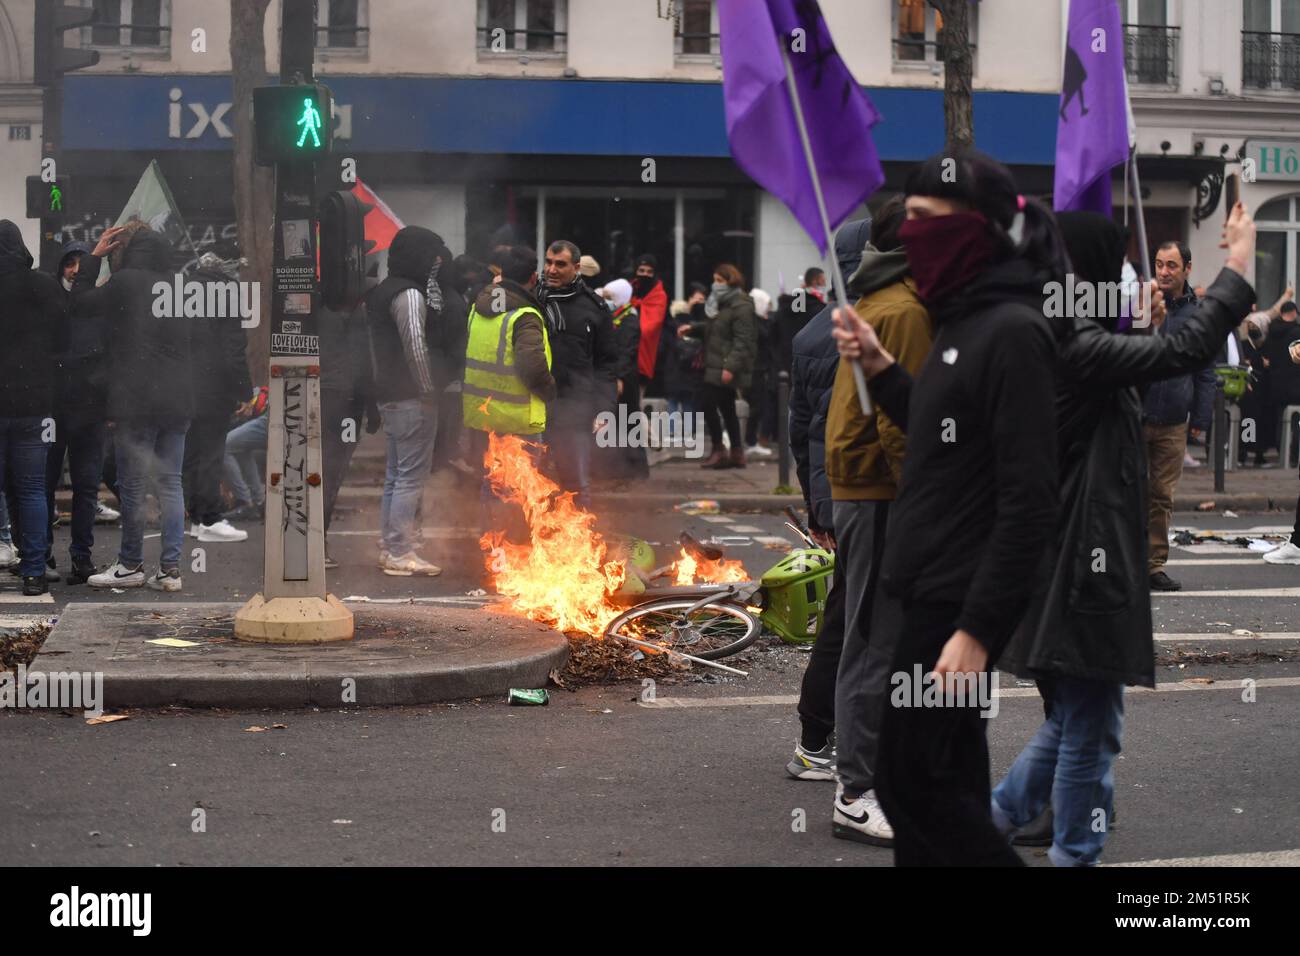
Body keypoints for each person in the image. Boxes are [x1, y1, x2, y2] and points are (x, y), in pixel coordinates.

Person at [991, 205, 1256, 867]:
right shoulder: (1069, 342)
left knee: (1082, 718)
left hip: (1075, 559)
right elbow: (1185, 351)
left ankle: (989, 826)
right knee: (1089, 722)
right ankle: (1061, 849)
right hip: (1083, 567)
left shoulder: (1050, 329)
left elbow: (1132, 373)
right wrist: (1237, 269)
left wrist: (1135, 327)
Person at [833, 148, 1068, 866]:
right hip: (925, 589)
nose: (913, 235)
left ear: (979, 229)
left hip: (953, 609)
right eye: (908, 221)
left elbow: (1029, 499)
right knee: (944, 786)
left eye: (930, 221)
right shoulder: (960, 323)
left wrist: (976, 632)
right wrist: (881, 369)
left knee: (917, 788)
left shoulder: (1014, 332)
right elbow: (943, 432)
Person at [821, 200, 934, 845]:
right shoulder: (905, 309)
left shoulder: (884, 297)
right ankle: (856, 792)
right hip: (881, 493)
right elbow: (901, 423)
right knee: (873, 639)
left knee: (872, 635)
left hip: (867, 489)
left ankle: (870, 778)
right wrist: (926, 499)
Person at [785, 220, 870, 782]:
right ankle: (820, 742)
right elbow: (828, 431)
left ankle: (819, 738)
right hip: (863, 499)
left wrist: (819, 508)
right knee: (854, 626)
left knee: (848, 619)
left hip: (839, 501)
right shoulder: (862, 330)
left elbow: (800, 433)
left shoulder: (813, 331)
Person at [76, 226, 194, 592]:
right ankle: (170, 569)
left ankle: (130, 564)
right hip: (179, 398)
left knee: (133, 485)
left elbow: (80, 305)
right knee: (171, 483)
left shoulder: (126, 282)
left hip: (138, 400)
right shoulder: (179, 285)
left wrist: (93, 260)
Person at [363, 225, 449, 577]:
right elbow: (416, 344)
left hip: (389, 396)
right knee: (410, 478)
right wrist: (428, 388)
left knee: (396, 476)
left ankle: (391, 546)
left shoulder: (382, 290)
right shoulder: (410, 295)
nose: (437, 263)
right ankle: (400, 550)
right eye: (432, 256)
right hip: (412, 398)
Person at [462, 244, 556, 539]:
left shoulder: (479, 307)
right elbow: (533, 368)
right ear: (533, 277)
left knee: (493, 484)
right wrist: (551, 391)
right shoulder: (525, 315)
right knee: (518, 489)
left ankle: (493, 549)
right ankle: (510, 550)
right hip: (517, 417)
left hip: (483, 414)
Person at [1143, 240, 1215, 592]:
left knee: (1161, 495)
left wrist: (1200, 420)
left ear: (1187, 268)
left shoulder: (1200, 315)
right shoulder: (1142, 304)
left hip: (1173, 421)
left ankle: (1153, 565)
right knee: (1125, 492)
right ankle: (1120, 562)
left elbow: (1205, 372)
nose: (1164, 272)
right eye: (1158, 264)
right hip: (1135, 416)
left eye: (1171, 265)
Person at [0, 221, 65, 595]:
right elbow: (63, 341)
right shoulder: (42, 286)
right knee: (31, 489)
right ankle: (34, 571)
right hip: (34, 402)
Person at [536, 240, 618, 505]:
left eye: (560, 264)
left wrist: (604, 408)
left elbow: (606, 364)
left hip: (574, 410)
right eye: (548, 262)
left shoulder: (594, 308)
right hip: (533, 406)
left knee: (575, 485)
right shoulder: (532, 299)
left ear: (576, 267)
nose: (552, 269)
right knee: (531, 483)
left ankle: (578, 544)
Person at [45, 239, 106, 585]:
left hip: (83, 405)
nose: (74, 270)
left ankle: (78, 556)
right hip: (63, 405)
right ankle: (50, 552)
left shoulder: (92, 305)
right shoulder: (54, 301)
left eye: (80, 264)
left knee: (84, 486)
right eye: (70, 263)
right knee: (48, 485)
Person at [183, 251, 252, 544]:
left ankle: (197, 518)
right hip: (215, 388)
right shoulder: (228, 293)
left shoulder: (182, 292)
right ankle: (210, 518)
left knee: (193, 454)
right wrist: (243, 390)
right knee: (211, 453)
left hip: (186, 387)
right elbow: (232, 350)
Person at [678, 264, 756, 469]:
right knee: (727, 407)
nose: (715, 285)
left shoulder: (741, 306)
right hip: (714, 363)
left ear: (732, 281)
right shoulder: (721, 304)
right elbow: (714, 328)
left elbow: (743, 340)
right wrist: (693, 329)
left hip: (723, 365)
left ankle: (720, 449)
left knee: (707, 402)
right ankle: (736, 452)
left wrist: (730, 366)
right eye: (715, 280)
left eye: (720, 281)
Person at [595, 278, 647, 480]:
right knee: (616, 425)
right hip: (614, 376)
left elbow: (626, 352)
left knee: (628, 424)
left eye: (609, 298)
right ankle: (619, 472)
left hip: (624, 380)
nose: (606, 301)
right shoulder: (614, 318)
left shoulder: (629, 320)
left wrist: (618, 377)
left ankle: (635, 471)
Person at [1263, 300, 1300, 467]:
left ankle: (1281, 451)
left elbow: (1268, 357)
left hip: (1276, 384)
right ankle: (1293, 454)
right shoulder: (1297, 333)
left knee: (1280, 418)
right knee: (1296, 420)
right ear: (1293, 313)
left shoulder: (1271, 331)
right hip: (1295, 383)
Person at [743, 288, 776, 457]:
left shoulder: (758, 321)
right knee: (757, 406)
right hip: (754, 370)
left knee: (759, 406)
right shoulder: (753, 322)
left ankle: (751, 440)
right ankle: (750, 440)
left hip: (759, 369)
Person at [631, 253, 669, 386]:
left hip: (647, 351)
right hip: (625, 354)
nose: (645, 275)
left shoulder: (659, 295)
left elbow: (652, 325)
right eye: (641, 270)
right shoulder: (629, 290)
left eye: (649, 271)